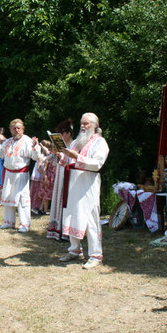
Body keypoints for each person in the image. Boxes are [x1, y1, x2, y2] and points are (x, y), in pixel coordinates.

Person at [57, 113, 109, 269]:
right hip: (73, 182)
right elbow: (66, 160)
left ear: (94, 125)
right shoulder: (77, 142)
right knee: (73, 214)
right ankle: (74, 250)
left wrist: (77, 157)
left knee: (90, 218)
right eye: (81, 123)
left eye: (86, 123)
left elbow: (97, 164)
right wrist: (60, 154)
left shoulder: (100, 142)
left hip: (88, 184)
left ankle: (95, 255)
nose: (83, 126)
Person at [0, 119, 41, 233]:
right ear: (10, 129)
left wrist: (35, 147)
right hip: (8, 173)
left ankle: (24, 224)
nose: (16, 130)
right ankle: (8, 222)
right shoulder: (8, 141)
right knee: (8, 196)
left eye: (18, 128)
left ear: (23, 129)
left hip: (21, 173)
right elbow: (0, 153)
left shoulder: (27, 141)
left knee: (22, 198)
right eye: (14, 128)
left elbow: (35, 157)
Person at [46, 119, 73, 240]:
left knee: (67, 202)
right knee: (58, 199)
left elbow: (72, 161)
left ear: (68, 133)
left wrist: (62, 156)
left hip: (69, 176)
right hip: (60, 175)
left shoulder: (74, 145)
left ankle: (66, 231)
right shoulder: (64, 146)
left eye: (62, 134)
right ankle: (56, 229)